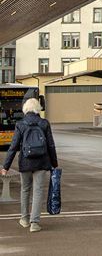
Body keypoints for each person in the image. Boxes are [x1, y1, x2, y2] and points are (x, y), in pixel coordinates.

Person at [1, 98, 58, 233]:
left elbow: (13, 146)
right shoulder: (44, 123)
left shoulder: (20, 124)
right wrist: (54, 163)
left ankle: (24, 219)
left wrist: (5, 167)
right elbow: (51, 145)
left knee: (25, 190)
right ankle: (35, 223)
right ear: (38, 109)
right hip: (42, 162)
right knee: (38, 191)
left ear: (25, 109)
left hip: (25, 162)